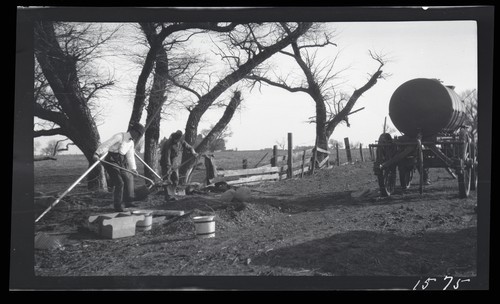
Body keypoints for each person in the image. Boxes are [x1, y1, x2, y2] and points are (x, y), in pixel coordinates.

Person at [95, 123, 145, 212]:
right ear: (133, 131)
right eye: (138, 134)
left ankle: (128, 201)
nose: (138, 136)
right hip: (111, 161)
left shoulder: (131, 143)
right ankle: (117, 205)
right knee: (119, 182)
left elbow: (130, 156)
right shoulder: (119, 136)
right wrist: (97, 153)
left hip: (121, 161)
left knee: (128, 178)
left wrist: (133, 168)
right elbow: (107, 144)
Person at [160, 130, 198, 201]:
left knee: (176, 179)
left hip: (174, 163)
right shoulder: (168, 143)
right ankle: (168, 197)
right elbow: (167, 156)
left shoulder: (181, 141)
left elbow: (190, 147)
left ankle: (172, 194)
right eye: (176, 140)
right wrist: (168, 167)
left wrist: (193, 152)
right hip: (165, 163)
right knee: (167, 180)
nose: (177, 141)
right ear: (173, 138)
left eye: (178, 140)